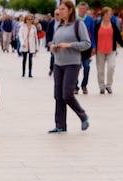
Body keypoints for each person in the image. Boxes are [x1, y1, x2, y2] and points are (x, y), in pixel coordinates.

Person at [49, 0, 92, 133]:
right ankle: (60, 124)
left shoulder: (79, 25)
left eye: (63, 9)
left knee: (67, 94)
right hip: (58, 63)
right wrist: (53, 47)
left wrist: (70, 45)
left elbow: (86, 43)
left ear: (70, 10)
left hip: (72, 63)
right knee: (58, 95)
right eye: (59, 9)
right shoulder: (59, 26)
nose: (60, 12)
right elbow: (54, 42)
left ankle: (83, 116)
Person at [94, 7, 123, 94]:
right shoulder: (98, 25)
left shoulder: (113, 25)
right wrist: (93, 48)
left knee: (111, 67)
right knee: (100, 70)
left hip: (111, 50)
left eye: (110, 14)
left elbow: (118, 37)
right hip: (100, 50)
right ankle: (101, 86)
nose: (109, 16)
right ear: (103, 15)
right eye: (107, 14)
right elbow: (94, 37)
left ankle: (109, 85)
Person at [75, 3, 95, 94]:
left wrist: (94, 46)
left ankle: (84, 85)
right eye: (80, 9)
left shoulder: (90, 19)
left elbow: (93, 33)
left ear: (86, 10)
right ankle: (75, 86)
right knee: (75, 67)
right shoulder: (75, 19)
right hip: (76, 46)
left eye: (84, 9)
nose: (82, 10)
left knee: (86, 67)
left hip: (87, 47)